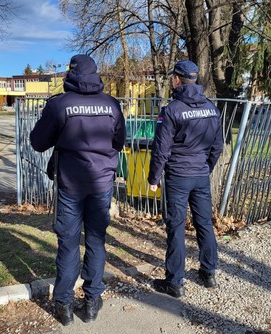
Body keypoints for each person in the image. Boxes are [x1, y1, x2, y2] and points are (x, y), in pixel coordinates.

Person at [30, 54, 126, 326]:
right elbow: (119, 141)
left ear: (70, 74)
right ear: (96, 74)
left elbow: (38, 142)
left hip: (70, 185)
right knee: (95, 240)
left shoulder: (60, 105)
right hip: (101, 184)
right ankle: (92, 301)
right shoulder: (111, 105)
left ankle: (64, 305)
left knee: (69, 243)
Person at [147, 60, 223, 297]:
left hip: (178, 176)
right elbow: (218, 146)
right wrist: (205, 167)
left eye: (173, 77)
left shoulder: (172, 110)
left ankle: (175, 282)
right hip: (200, 174)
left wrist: (153, 177)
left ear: (177, 79)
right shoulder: (212, 107)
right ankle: (208, 273)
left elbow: (161, 149)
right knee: (204, 224)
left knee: (176, 228)